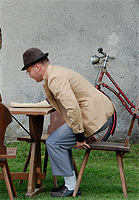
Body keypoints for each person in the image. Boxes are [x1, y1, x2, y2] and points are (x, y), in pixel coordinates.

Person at [21, 48, 115, 197]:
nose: (29, 75)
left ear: (37, 67)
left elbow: (72, 107)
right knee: (57, 140)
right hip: (98, 114)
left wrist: (79, 136)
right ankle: (69, 183)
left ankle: (71, 187)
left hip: (95, 116)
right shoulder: (55, 73)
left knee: (53, 142)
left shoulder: (55, 79)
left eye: (28, 71)